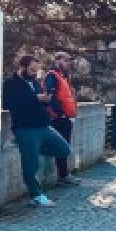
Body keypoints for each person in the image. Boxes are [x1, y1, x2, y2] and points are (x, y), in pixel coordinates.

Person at [2, 54, 72, 207]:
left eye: (36, 70)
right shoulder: (11, 83)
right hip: (25, 127)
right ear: (22, 68)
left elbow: (39, 101)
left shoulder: (35, 83)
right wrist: (36, 99)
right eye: (32, 70)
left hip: (43, 125)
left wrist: (46, 102)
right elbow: (8, 104)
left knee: (64, 149)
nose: (35, 73)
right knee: (31, 165)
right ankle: (37, 195)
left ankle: (27, 147)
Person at [44, 51, 80, 186]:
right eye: (66, 60)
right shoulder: (52, 76)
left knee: (64, 146)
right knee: (61, 146)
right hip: (59, 118)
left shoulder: (63, 77)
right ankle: (63, 176)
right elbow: (49, 96)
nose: (68, 63)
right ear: (58, 60)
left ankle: (64, 175)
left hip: (66, 118)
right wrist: (58, 113)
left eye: (68, 61)